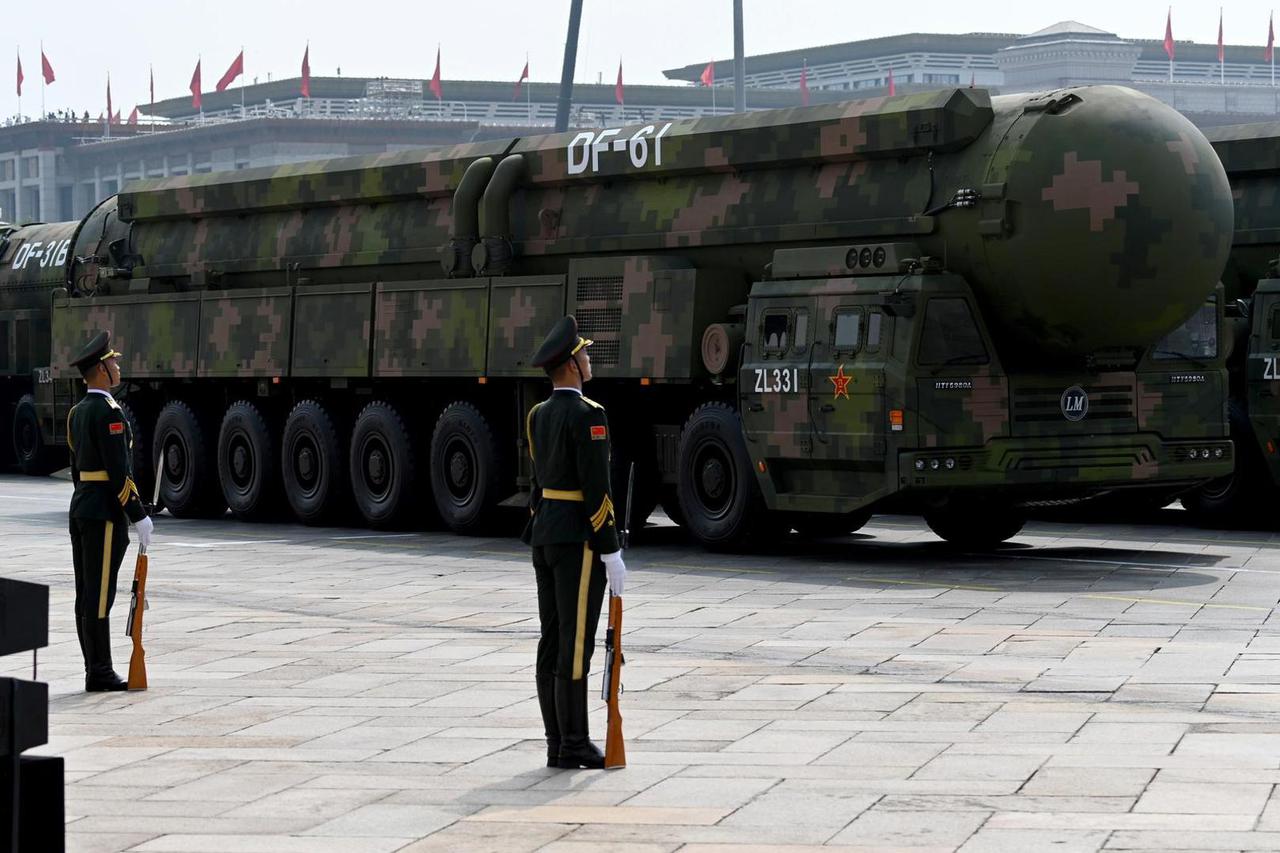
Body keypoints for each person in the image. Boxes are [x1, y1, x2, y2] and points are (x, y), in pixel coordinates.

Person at [523, 315, 627, 769]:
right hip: (577, 541)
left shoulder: (537, 415)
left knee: (551, 638)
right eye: (584, 353)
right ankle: (575, 743)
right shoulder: (589, 415)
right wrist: (610, 548)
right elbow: (596, 488)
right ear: (570, 365)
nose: (589, 359)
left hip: (544, 534)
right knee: (576, 641)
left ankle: (556, 742)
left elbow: (538, 484)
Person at [67, 331, 153, 692]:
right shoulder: (109, 412)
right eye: (113, 362)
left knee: (86, 592)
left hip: (82, 507)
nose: (118, 366)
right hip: (104, 513)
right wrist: (138, 514)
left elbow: (77, 469)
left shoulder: (76, 412)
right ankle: (100, 671)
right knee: (100, 593)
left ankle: (94, 666)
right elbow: (119, 472)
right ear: (101, 370)